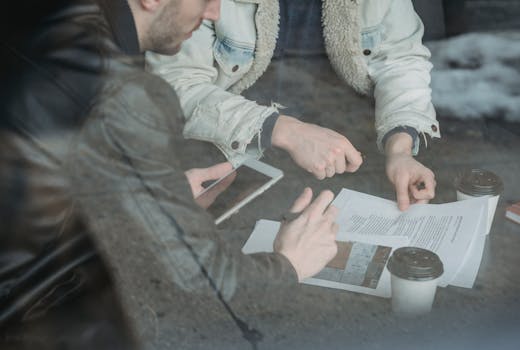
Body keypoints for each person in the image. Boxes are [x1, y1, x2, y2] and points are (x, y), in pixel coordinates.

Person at [0, 0, 338, 348]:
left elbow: (38, 189)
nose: (214, 14)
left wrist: (148, 202)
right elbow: (204, 282)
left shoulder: (46, 20)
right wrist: (290, 263)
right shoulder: (115, 85)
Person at [146, 0, 441, 211]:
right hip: (235, 154)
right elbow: (174, 86)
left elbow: (401, 60)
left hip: (351, 156)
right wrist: (282, 129)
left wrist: (400, 150)